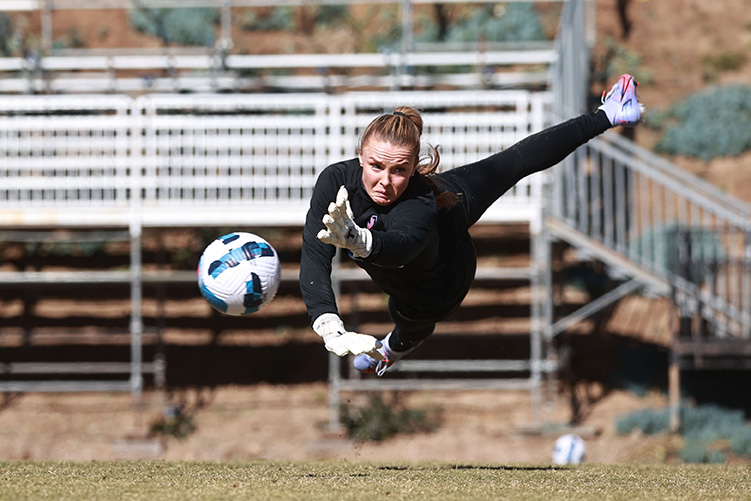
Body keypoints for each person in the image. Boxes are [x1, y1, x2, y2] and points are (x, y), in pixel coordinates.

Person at [299, 74, 643, 376]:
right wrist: (326, 321)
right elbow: (315, 252)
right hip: (430, 230)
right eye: (375, 166)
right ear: (360, 153)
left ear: (414, 167)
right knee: (508, 164)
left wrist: (362, 241)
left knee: (409, 315)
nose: (385, 181)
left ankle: (393, 347)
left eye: (399, 170)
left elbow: (400, 249)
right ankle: (609, 113)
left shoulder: (421, 201)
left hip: (444, 281)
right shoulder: (335, 181)